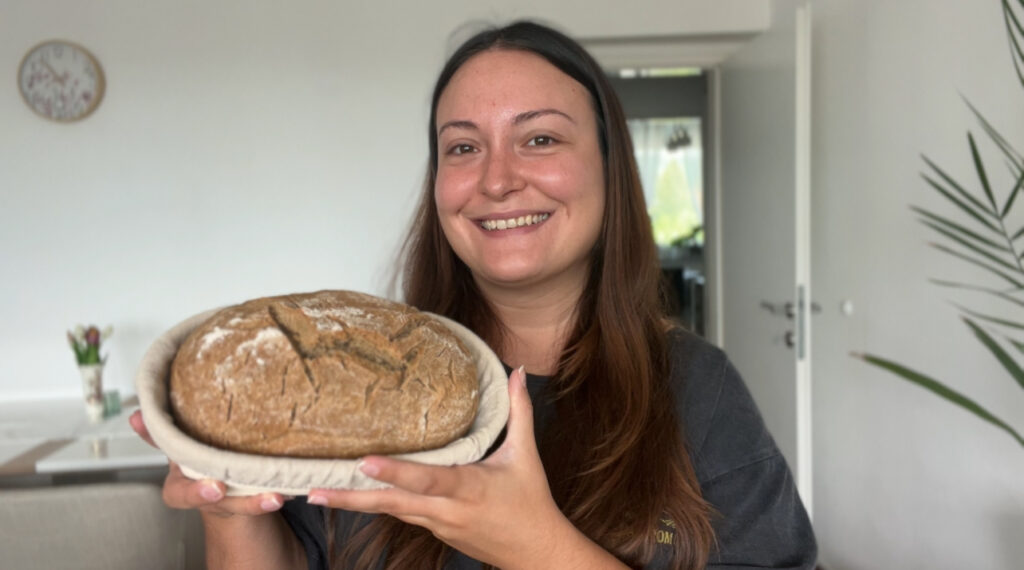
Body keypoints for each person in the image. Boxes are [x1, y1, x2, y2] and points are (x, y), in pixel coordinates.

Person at [131, 20, 816, 570]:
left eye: (539, 138)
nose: (495, 181)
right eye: (462, 148)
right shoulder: (358, 388)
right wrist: (227, 507)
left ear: (611, 169)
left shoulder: (698, 389)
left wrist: (538, 549)